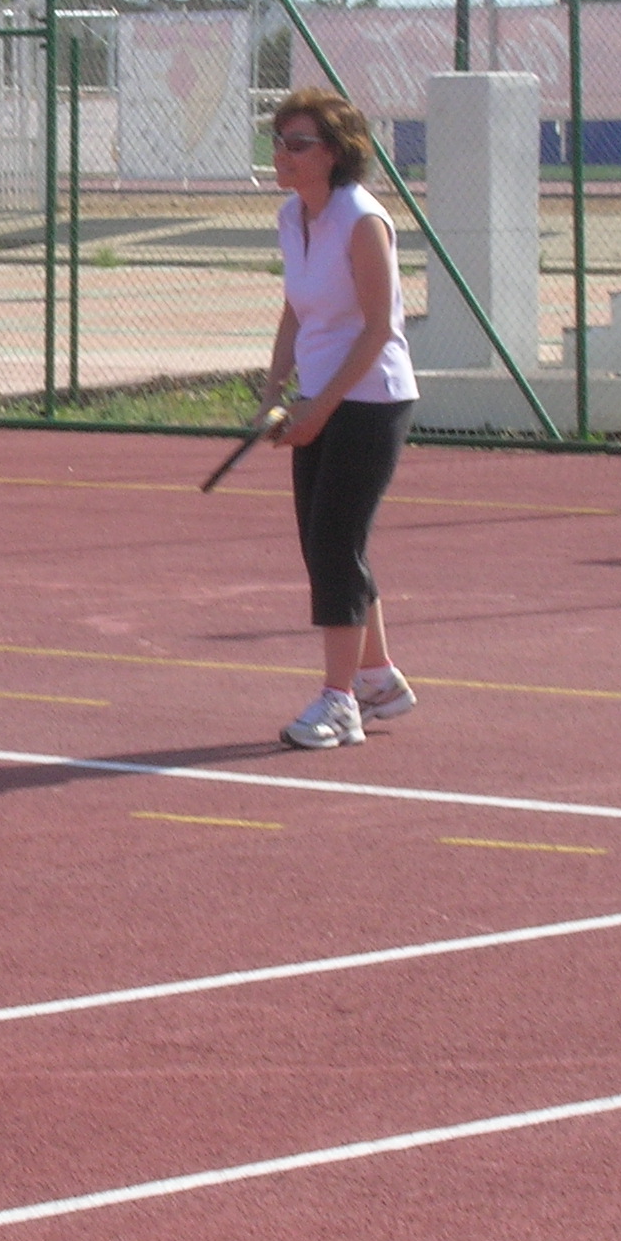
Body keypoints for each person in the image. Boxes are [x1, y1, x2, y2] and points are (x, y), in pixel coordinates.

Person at [262, 88, 418, 750]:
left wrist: (319, 408)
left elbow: (379, 328)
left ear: (334, 152)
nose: (283, 154)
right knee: (329, 544)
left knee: (333, 545)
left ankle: (340, 703)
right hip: (320, 400)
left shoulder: (362, 220)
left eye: (299, 144)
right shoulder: (291, 216)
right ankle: (378, 678)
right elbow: (296, 309)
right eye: (279, 141)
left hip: (372, 401)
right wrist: (275, 389)